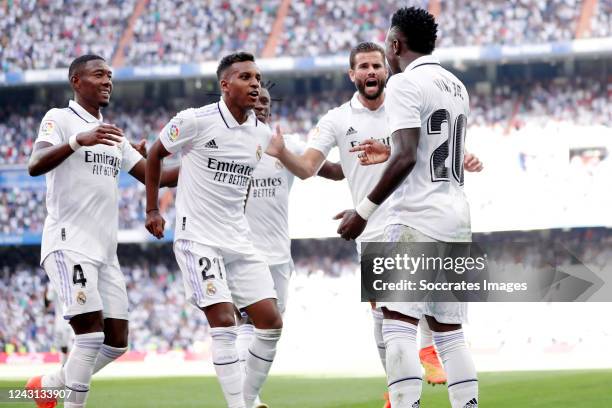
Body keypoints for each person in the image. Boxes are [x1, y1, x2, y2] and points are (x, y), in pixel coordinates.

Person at [266, 41, 481, 407]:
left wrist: (460, 156)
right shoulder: (338, 119)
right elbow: (311, 168)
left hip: (406, 222)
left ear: (386, 69)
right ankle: (402, 385)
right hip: (375, 229)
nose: (370, 72)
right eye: (362, 67)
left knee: (400, 320)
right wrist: (283, 152)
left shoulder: (404, 98)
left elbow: (421, 153)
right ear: (352, 74)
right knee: (389, 320)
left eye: (376, 66)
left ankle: (407, 386)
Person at [337, 7, 479, 408]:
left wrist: (361, 212)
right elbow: (425, 149)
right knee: (449, 332)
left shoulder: (403, 85)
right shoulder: (456, 85)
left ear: (396, 44)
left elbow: (406, 158)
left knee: (397, 324)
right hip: (455, 218)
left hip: (415, 218)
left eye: (386, 43)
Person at [25, 54, 179, 408]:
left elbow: (157, 176)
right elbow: (35, 164)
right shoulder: (59, 119)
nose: (108, 80)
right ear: (77, 81)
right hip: (68, 242)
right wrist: (80, 140)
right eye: (99, 74)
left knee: (116, 342)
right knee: (90, 336)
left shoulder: (113, 135)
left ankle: (50, 384)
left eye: (110, 75)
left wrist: (201, 160)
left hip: (105, 251)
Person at [145, 52, 282, 408]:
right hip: (198, 238)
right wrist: (152, 209)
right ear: (225, 85)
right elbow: (157, 156)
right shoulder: (194, 121)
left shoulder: (260, 134)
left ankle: (248, 398)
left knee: (271, 322)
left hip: (238, 239)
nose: (255, 84)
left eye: (258, 77)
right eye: (246, 77)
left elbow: (242, 183)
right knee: (224, 322)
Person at [238, 86, 343, 408]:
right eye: (255, 100)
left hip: (279, 253)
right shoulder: (226, 145)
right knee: (247, 322)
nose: (261, 106)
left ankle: (246, 396)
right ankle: (245, 400)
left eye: (266, 102)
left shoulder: (290, 145)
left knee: (269, 330)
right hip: (240, 251)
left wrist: (362, 149)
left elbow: (335, 172)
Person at [45, 285, 73, 365]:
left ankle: (67, 366)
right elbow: (48, 302)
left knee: (66, 345)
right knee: (65, 346)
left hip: (64, 320)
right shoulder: (54, 284)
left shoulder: (53, 283)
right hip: (66, 319)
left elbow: (48, 302)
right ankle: (66, 367)